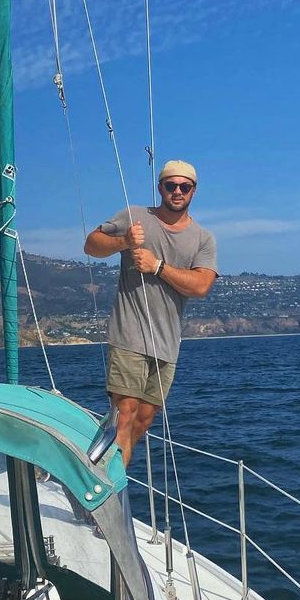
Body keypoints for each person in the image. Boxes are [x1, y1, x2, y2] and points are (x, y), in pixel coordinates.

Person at [84, 160, 218, 467]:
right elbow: (91, 245)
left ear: (194, 191)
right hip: (129, 334)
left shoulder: (203, 238)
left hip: (167, 343)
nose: (177, 191)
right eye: (171, 185)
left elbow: (201, 285)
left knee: (142, 420)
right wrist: (124, 241)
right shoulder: (135, 217)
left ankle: (96, 467)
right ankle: (110, 488)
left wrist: (158, 267)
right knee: (125, 413)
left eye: (184, 186)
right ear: (160, 188)